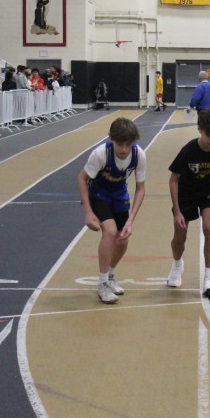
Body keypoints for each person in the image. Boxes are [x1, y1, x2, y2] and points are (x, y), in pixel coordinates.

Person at [77, 117, 147, 304]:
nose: (124, 149)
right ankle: (102, 284)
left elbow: (141, 189)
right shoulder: (100, 154)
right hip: (99, 194)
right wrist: (88, 212)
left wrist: (131, 220)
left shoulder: (139, 155)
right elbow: (82, 178)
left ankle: (110, 276)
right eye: (119, 144)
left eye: (128, 144)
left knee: (123, 239)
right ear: (111, 139)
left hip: (119, 194)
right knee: (110, 231)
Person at [167, 109, 210, 298]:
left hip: (208, 192)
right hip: (186, 192)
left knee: (209, 229)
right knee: (180, 237)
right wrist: (177, 211)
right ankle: (177, 264)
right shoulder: (188, 151)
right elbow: (173, 180)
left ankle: (209, 279)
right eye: (208, 135)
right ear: (199, 129)